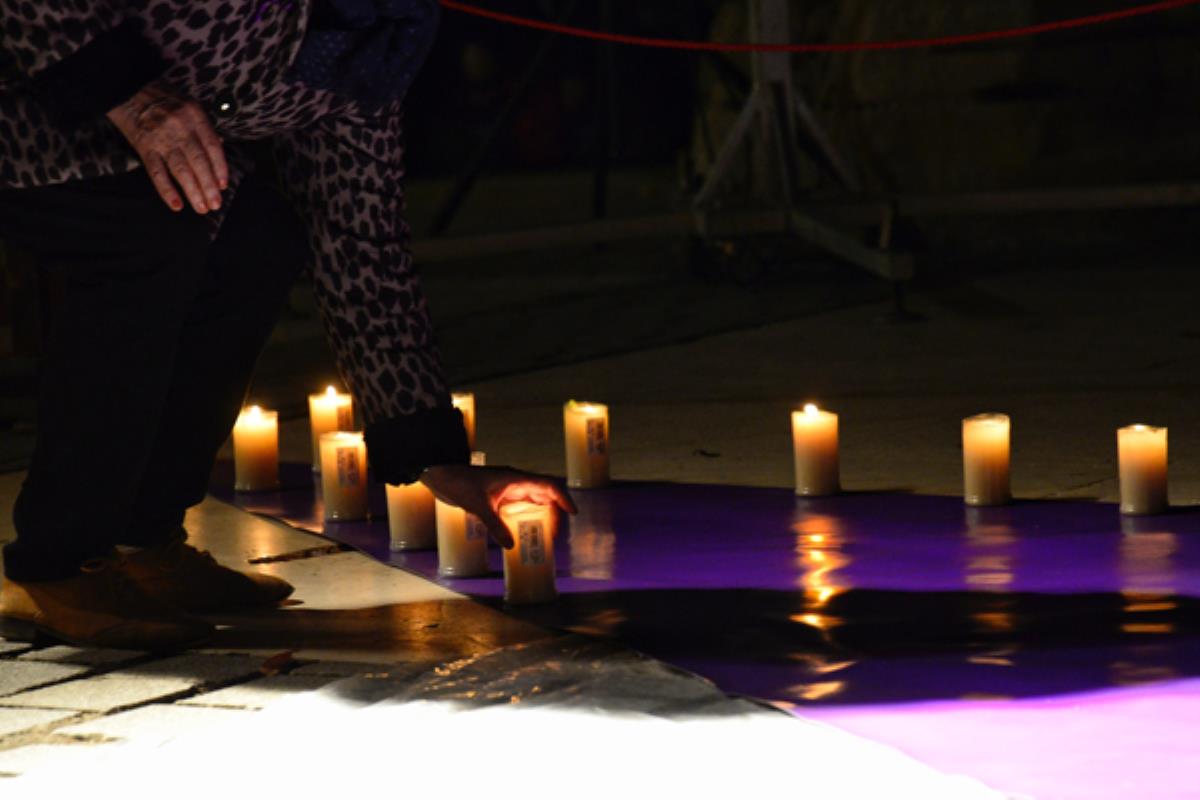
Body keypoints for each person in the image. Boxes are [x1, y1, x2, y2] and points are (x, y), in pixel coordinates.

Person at [0, 0, 575, 650]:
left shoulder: (372, 37)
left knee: (257, 240)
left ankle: (141, 537)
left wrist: (436, 458)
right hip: (32, 103)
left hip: (146, 150)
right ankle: (54, 561)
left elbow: (361, 239)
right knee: (148, 237)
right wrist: (131, 95)